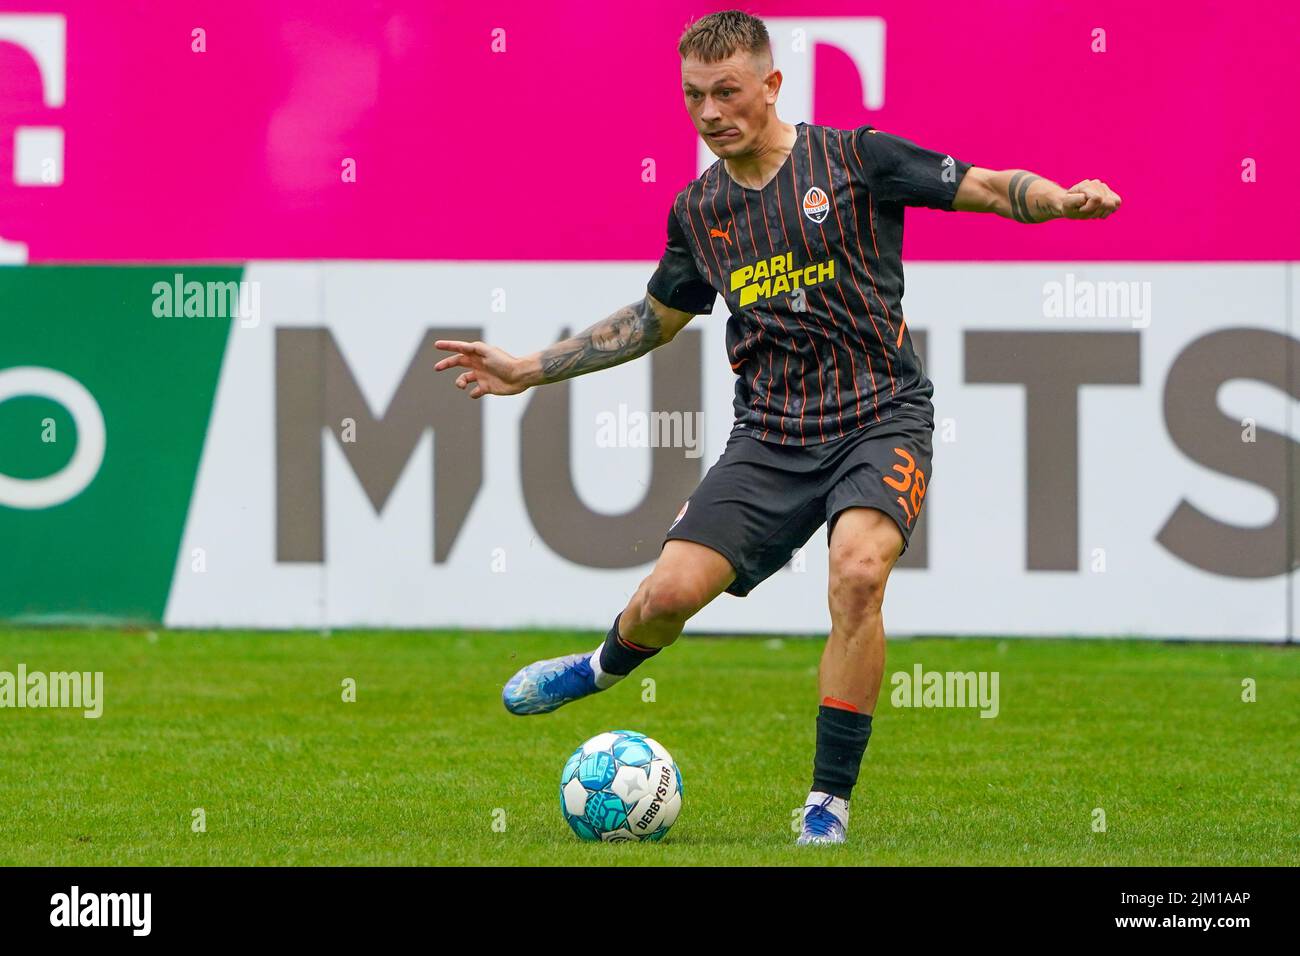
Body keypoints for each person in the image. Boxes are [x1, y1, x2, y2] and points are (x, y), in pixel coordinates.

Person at [434, 9, 1121, 844]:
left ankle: (827, 805)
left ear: (772, 85)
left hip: (881, 419)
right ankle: (601, 667)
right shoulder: (700, 211)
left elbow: (983, 184)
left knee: (859, 574)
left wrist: (1057, 201)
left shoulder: (856, 160)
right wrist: (528, 368)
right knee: (667, 597)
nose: (709, 112)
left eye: (727, 92)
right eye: (693, 96)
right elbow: (653, 321)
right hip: (770, 437)